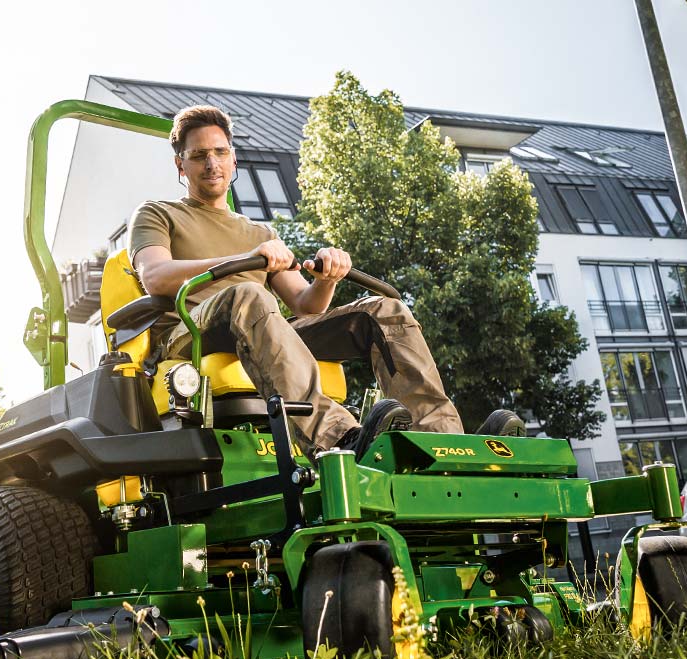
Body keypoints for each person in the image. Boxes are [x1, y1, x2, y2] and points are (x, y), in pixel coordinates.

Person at [128, 105, 505, 455]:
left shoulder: (261, 234)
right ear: (181, 166)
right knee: (248, 294)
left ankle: (439, 440)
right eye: (198, 156)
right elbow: (155, 276)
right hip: (191, 332)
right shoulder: (157, 214)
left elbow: (306, 306)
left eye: (220, 152)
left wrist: (328, 277)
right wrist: (243, 261)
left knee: (384, 309)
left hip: (259, 326)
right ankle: (340, 438)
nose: (212, 163)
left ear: (233, 157)